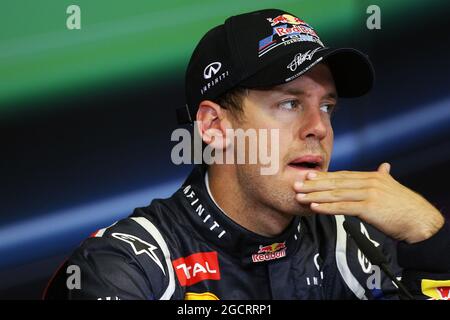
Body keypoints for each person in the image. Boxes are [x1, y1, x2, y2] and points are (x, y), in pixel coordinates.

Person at [44, 8, 450, 300]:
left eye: (327, 107)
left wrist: (430, 238)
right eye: (290, 103)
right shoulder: (127, 265)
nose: (320, 128)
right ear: (214, 127)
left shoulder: (359, 240)